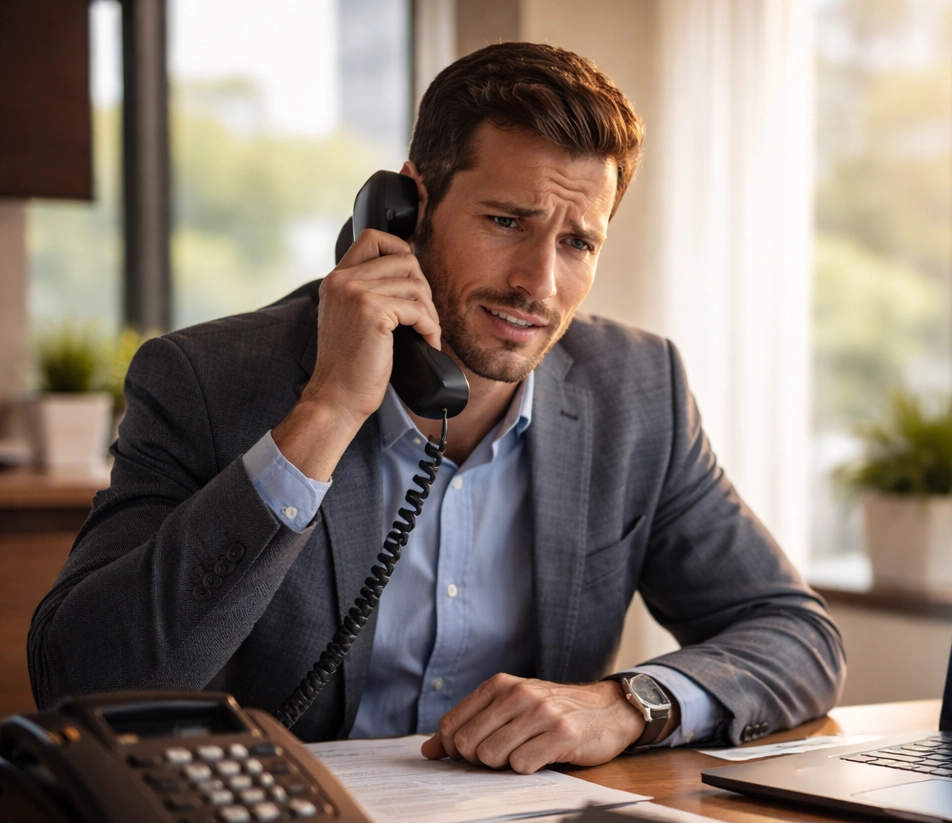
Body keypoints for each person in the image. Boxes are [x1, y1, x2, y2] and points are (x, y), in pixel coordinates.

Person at [27, 43, 845, 771]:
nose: (540, 283)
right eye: (505, 221)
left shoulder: (635, 390)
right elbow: (84, 681)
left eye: (576, 242)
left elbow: (796, 635)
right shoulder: (206, 380)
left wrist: (627, 703)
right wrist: (328, 410)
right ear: (407, 208)